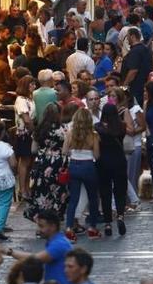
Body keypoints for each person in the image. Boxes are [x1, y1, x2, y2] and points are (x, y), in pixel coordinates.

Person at [6, 209, 73, 284]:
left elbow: (34, 259)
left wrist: (10, 252)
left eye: (41, 226)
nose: (38, 229)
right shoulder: (56, 241)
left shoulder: (59, 244)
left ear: (53, 226)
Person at [25, 103, 69, 222]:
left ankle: (42, 220)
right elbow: (66, 149)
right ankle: (54, 218)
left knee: (42, 191)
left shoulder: (39, 129)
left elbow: (33, 150)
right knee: (57, 191)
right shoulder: (64, 129)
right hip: (58, 164)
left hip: (41, 163)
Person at [62, 108, 102, 240]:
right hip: (88, 166)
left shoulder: (70, 133)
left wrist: (74, 153)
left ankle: (69, 228)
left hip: (74, 165)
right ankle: (92, 228)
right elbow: (96, 155)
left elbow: (64, 151)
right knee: (93, 198)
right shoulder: (94, 135)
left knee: (73, 198)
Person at [95, 104, 128, 237]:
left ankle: (108, 222)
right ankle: (120, 215)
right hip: (119, 160)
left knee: (105, 192)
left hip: (103, 162)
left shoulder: (97, 127)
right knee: (120, 190)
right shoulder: (122, 126)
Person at [121, 28, 152, 106]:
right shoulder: (145, 49)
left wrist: (125, 85)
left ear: (133, 37)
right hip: (144, 85)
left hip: (135, 87)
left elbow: (133, 71)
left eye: (127, 36)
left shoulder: (135, 51)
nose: (127, 39)